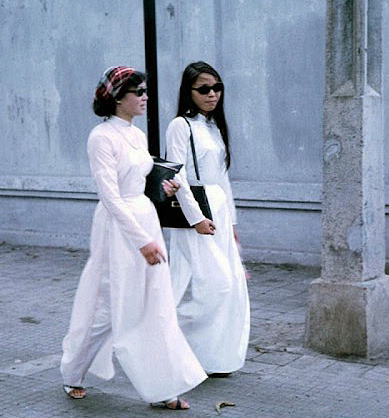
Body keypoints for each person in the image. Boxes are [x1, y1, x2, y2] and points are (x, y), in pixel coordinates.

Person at [60, 66, 207, 410]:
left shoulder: (136, 135)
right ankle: (73, 372)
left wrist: (163, 186)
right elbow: (111, 197)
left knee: (153, 304)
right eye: (137, 91)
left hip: (144, 218)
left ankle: (161, 387)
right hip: (118, 228)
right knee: (108, 307)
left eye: (145, 91)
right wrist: (141, 241)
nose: (145, 97)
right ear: (116, 97)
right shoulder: (101, 137)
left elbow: (142, 181)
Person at [165, 61, 250, 376]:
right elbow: (178, 175)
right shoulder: (180, 126)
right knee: (217, 285)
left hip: (219, 210)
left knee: (230, 287)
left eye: (217, 88)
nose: (212, 94)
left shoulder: (214, 126)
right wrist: (195, 218)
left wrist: (233, 223)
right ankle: (174, 344)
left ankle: (213, 359)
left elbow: (223, 179)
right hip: (197, 210)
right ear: (189, 92)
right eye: (204, 89)